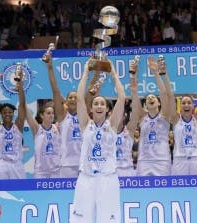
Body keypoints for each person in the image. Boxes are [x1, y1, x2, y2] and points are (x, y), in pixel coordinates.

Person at [70, 59, 125, 223]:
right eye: (96, 103)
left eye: (102, 104)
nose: (99, 106)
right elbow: (79, 98)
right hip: (86, 179)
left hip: (108, 178)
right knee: (81, 220)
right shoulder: (86, 125)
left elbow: (121, 97)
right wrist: (86, 72)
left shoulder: (113, 125)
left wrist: (113, 72)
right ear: (91, 109)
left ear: (107, 109)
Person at [46, 51, 82, 178]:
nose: (73, 99)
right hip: (66, 165)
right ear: (66, 101)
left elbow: (90, 93)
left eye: (75, 97)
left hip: (83, 164)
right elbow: (55, 90)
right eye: (70, 97)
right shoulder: (62, 116)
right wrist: (50, 67)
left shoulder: (84, 116)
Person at [134, 56, 172, 176]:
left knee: (163, 193)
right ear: (145, 105)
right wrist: (134, 75)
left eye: (153, 97)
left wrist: (156, 73)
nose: (150, 97)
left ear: (159, 102)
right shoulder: (142, 118)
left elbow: (164, 93)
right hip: (144, 161)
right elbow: (134, 93)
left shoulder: (164, 116)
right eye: (147, 98)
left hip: (162, 161)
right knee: (143, 193)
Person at [0, 66, 26, 179]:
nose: (7, 114)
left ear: (13, 114)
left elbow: (22, 106)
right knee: (1, 192)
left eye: (10, 112)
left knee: (21, 193)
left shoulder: (18, 125)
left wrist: (20, 87)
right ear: (1, 114)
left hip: (17, 164)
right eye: (5, 112)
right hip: (2, 165)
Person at [26, 103, 61, 178]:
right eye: (48, 113)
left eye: (52, 113)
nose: (51, 115)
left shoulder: (57, 127)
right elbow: (27, 113)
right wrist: (22, 95)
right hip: (41, 172)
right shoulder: (37, 128)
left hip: (56, 171)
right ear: (42, 115)